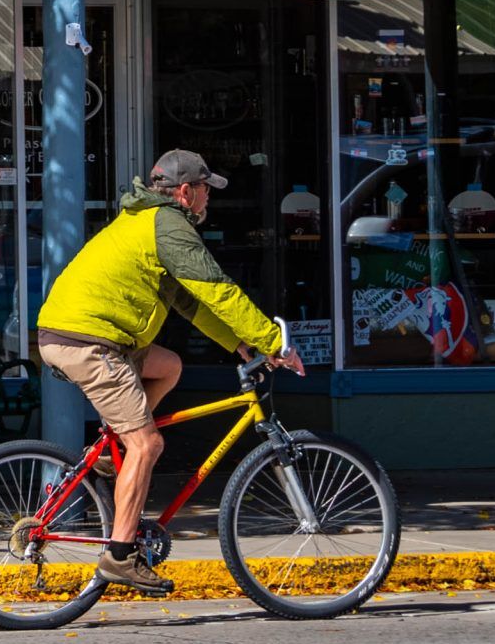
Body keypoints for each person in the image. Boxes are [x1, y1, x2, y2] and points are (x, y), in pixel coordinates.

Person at [37, 149, 306, 595]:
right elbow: (218, 290)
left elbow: (190, 303)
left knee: (169, 367)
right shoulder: (169, 226)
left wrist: (240, 345)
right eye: (204, 190)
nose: (207, 200)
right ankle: (120, 556)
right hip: (89, 342)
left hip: (84, 336)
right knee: (147, 444)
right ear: (185, 192)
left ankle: (109, 451)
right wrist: (273, 341)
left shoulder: (147, 222)